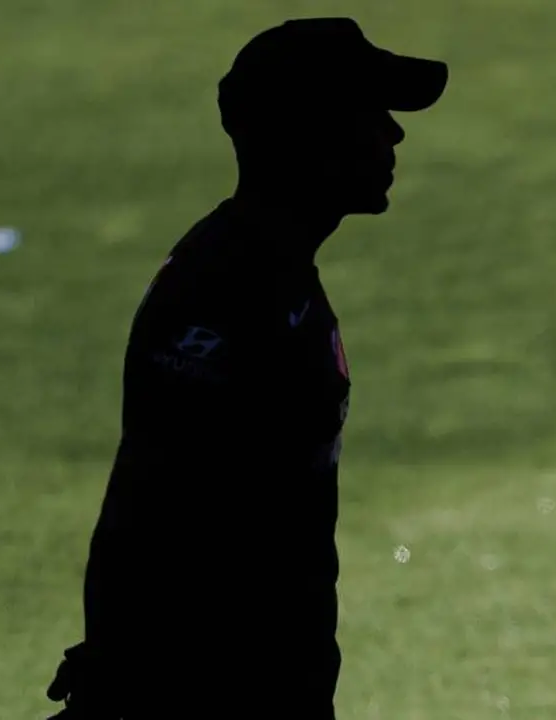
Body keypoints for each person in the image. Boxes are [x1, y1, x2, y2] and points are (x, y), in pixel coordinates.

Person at [43, 17, 447, 720]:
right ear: (313, 134)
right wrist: (120, 669)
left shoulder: (274, 272)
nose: (395, 133)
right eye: (372, 113)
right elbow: (153, 498)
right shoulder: (226, 288)